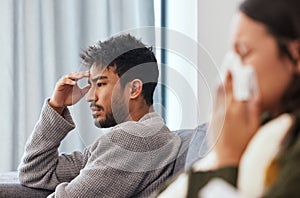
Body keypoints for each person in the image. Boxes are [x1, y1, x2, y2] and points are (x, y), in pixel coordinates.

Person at [153, 0, 300, 197]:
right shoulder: (259, 126)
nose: (231, 72)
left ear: (296, 55)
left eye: (244, 52)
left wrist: (227, 161)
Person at [18, 34, 181, 197]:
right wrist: (57, 105)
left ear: (134, 89)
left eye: (101, 84)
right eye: (91, 85)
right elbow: (35, 173)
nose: (90, 96)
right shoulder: (142, 135)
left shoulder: (135, 139)